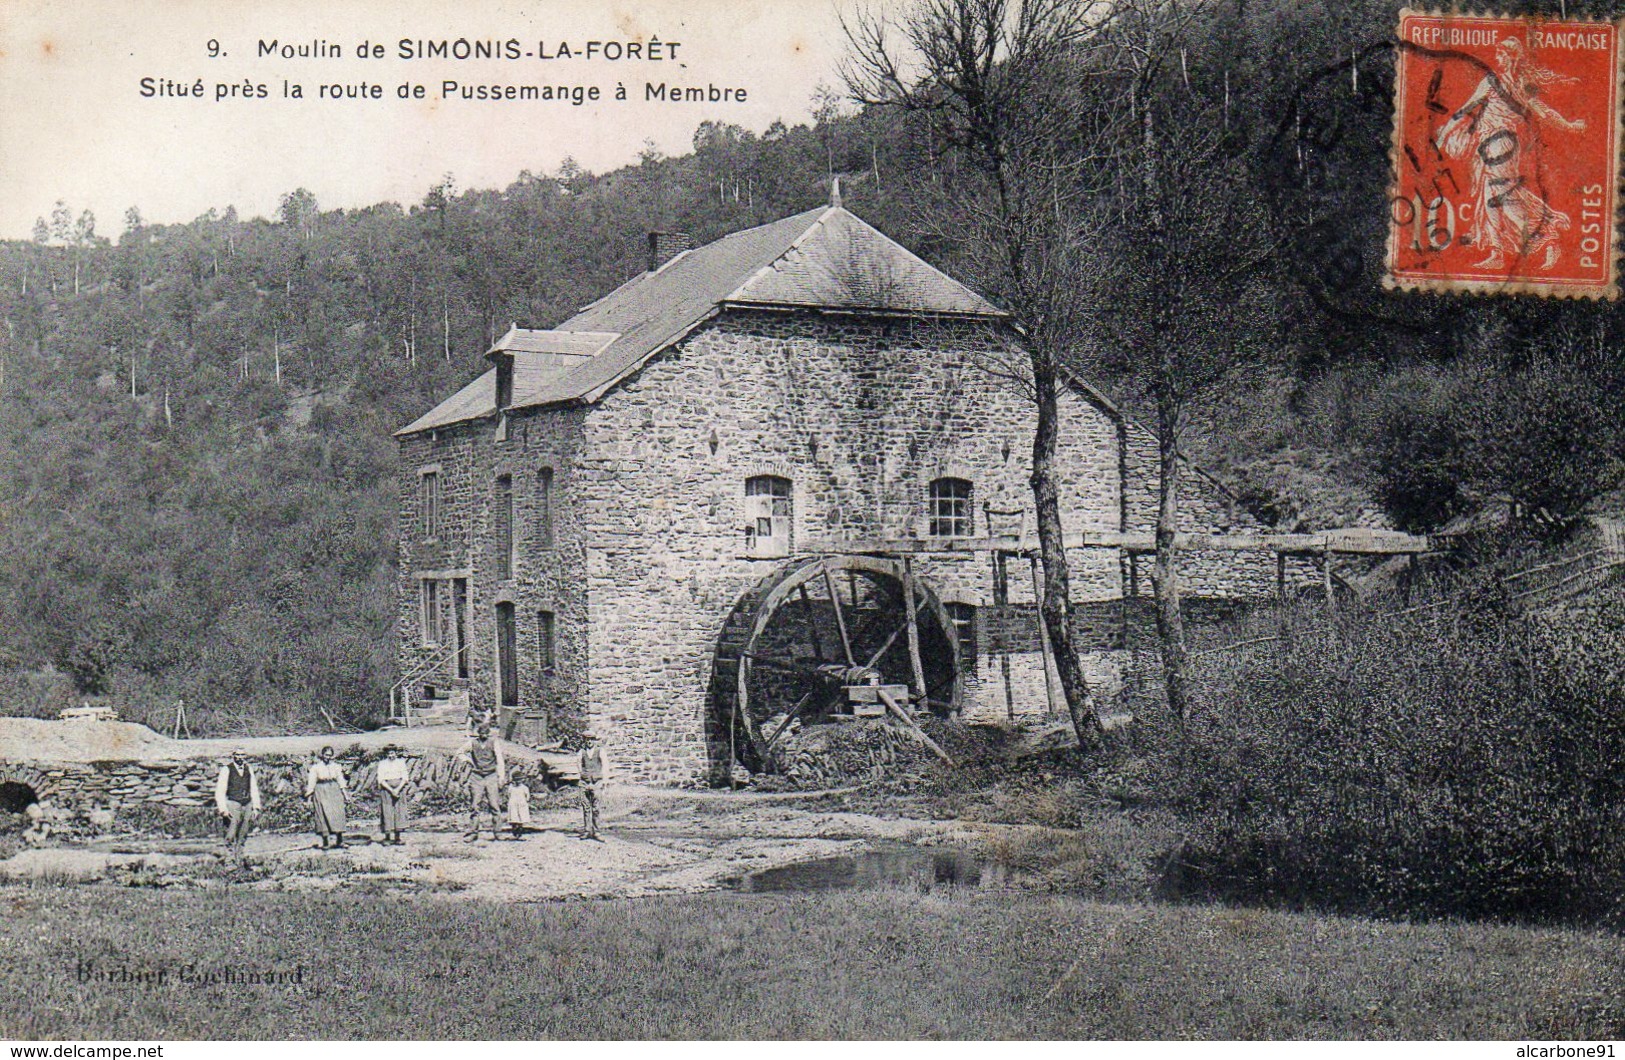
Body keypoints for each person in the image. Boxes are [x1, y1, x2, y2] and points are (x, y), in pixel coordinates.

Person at [1436, 36, 1586, 271]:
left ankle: (1546, 238)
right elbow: (1466, 107)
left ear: (1510, 58)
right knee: (1489, 198)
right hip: (1486, 143)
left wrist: (1569, 125)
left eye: (1501, 55)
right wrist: (1445, 131)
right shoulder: (1492, 81)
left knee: (1505, 196)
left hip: (1502, 143)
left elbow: (1543, 112)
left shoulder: (1518, 83)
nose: (1496, 59)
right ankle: (1497, 252)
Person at [213, 748, 261, 860]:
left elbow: (253, 788)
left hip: (247, 803)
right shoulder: (227, 769)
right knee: (231, 831)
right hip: (233, 803)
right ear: (233, 756)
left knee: (243, 832)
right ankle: (229, 858)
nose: (240, 757)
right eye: (238, 755)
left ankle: (240, 856)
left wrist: (256, 807)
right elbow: (220, 790)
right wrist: (223, 809)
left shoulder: (249, 769)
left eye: (243, 755)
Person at [461, 722, 506, 841]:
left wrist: (501, 777)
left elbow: (500, 760)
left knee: (494, 805)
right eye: (482, 733)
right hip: (477, 776)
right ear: (478, 733)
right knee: (475, 805)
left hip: (491, 775)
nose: (484, 736)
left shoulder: (493, 743)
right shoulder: (472, 743)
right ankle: (473, 833)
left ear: (489, 734)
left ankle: (497, 832)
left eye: (486, 733)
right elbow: (459, 752)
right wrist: (468, 760)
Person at [304, 745, 349, 849]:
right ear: (322, 755)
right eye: (326, 755)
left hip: (334, 790)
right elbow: (311, 783)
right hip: (321, 791)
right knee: (323, 815)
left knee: (338, 814)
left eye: (330, 755)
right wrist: (309, 799)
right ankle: (326, 842)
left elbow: (341, 781)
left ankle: (339, 841)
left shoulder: (336, 766)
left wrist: (345, 795)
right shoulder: (316, 768)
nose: (327, 757)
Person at [376, 744, 410, 846]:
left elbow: (405, 777)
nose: (391, 755)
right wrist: (391, 790)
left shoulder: (401, 763)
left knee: (399, 811)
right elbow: (381, 779)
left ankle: (397, 837)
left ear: (396, 753)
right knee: (387, 812)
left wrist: (398, 789)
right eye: (388, 753)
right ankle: (387, 837)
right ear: (386, 754)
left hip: (399, 789)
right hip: (386, 789)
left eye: (392, 753)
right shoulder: (382, 764)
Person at [579, 732, 604, 841]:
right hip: (584, 782)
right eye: (587, 739)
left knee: (596, 808)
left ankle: (596, 832)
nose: (589, 741)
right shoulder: (581, 752)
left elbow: (605, 766)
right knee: (586, 807)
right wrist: (583, 776)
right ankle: (587, 830)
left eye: (591, 739)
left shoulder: (600, 751)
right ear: (584, 740)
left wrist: (602, 780)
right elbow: (578, 765)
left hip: (596, 782)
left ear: (595, 740)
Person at [505, 771, 531, 841]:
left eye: (519, 780)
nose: (518, 781)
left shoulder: (524, 788)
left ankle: (520, 834)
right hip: (513, 804)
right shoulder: (511, 787)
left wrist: (525, 802)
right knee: (514, 819)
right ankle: (514, 833)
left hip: (521, 804)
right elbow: (508, 795)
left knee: (521, 819)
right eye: (516, 780)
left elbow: (527, 796)